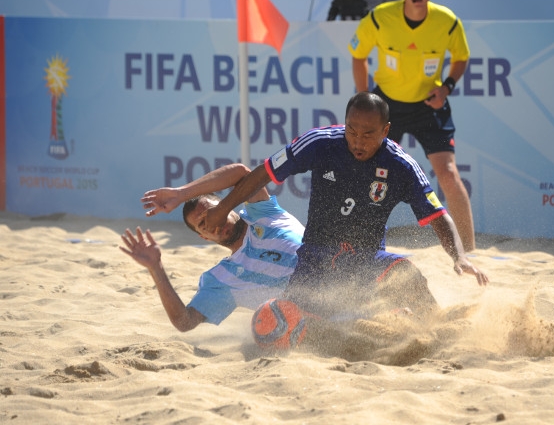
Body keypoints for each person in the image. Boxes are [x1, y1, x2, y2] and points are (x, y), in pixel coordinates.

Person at [202, 92, 488, 323]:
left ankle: (438, 328)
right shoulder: (320, 143)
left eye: (368, 134)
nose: (357, 140)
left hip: (365, 260)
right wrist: (223, 207)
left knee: (406, 274)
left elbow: (438, 215)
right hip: (315, 260)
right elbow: (263, 172)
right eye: (352, 130)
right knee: (288, 324)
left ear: (386, 130)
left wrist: (458, 256)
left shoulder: (402, 165)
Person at [348, 0, 476, 252]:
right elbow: (358, 54)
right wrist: (364, 98)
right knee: (366, 172)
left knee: (447, 173)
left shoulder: (448, 21)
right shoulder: (380, 17)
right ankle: (357, 244)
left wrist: (447, 88)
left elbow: (461, 58)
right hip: (386, 105)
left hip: (429, 104)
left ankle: (468, 250)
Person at [119, 163, 305, 332]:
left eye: (213, 212)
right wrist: (156, 268)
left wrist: (181, 193)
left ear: (228, 207)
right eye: (203, 224)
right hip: (307, 320)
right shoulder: (221, 279)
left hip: (330, 269)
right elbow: (185, 322)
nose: (213, 222)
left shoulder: (263, 213)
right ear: (204, 237)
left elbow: (241, 173)